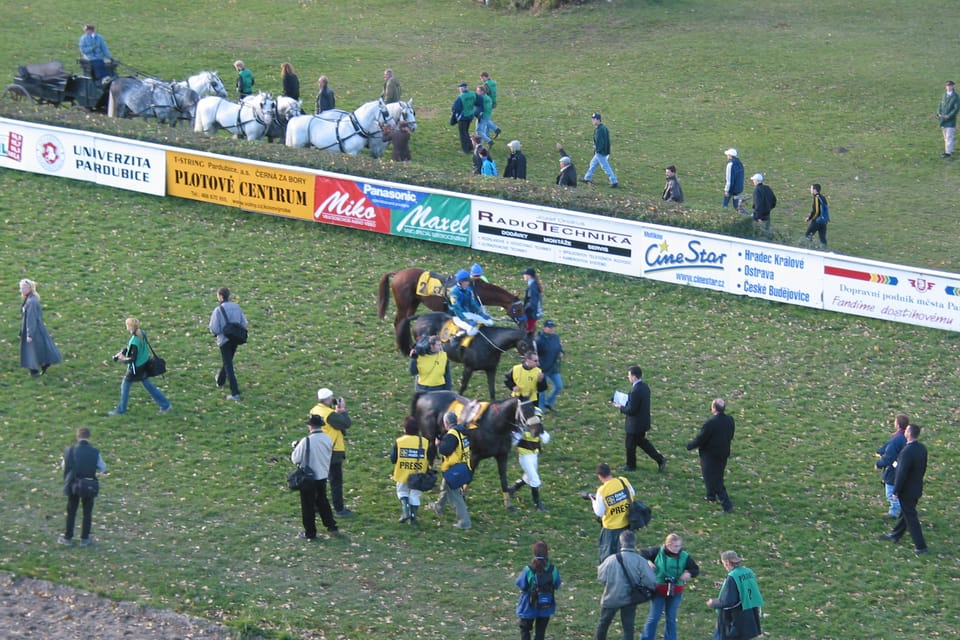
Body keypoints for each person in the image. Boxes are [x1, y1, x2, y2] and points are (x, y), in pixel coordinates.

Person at [595, 530, 658, 640]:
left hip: (611, 597)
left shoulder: (611, 560)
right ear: (634, 543)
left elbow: (601, 578)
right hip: (630, 598)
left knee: (603, 624)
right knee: (628, 627)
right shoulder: (640, 561)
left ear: (621, 543)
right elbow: (651, 580)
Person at [639, 533, 701, 640]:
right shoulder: (657, 552)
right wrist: (648, 562)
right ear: (668, 545)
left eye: (679, 546)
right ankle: (646, 638)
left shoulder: (684, 556)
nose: (678, 548)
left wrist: (689, 573)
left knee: (671, 618)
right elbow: (642, 554)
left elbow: (695, 569)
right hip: (658, 590)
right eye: (675, 546)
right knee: (654, 617)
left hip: (675, 590)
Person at [108, 317, 171, 416]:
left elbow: (132, 358)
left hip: (135, 369)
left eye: (127, 326)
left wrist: (122, 358)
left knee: (125, 386)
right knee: (149, 386)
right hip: (143, 364)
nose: (126, 328)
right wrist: (121, 353)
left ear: (130, 327)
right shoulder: (141, 333)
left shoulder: (134, 341)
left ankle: (121, 410)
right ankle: (165, 405)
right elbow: (131, 349)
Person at [882, 423, 928, 554]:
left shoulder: (907, 451)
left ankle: (921, 546)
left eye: (906, 430)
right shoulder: (922, 448)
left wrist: (896, 490)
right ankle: (896, 534)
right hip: (917, 487)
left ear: (909, 433)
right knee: (905, 513)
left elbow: (901, 473)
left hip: (907, 490)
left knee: (911, 517)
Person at [291, 415, 338, 539]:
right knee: (323, 501)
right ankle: (331, 525)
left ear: (310, 426)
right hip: (323, 475)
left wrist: (296, 447)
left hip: (309, 478)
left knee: (308, 506)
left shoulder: (306, 440)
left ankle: (310, 532)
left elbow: (296, 459)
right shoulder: (328, 439)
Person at [58, 427, 107, 547]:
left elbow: (64, 466)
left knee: (71, 512)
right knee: (87, 512)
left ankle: (68, 538)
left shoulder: (71, 450)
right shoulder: (95, 452)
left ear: (77, 436)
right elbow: (102, 467)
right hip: (88, 484)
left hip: (74, 484)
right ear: (89, 437)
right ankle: (85, 539)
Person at [686, 398, 736, 513]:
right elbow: (731, 435)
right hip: (723, 453)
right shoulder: (730, 420)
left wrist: (690, 445)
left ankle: (727, 505)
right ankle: (711, 496)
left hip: (710, 455)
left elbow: (702, 438)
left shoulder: (711, 423)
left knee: (713, 479)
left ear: (714, 408)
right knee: (716, 475)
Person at [613, 366, 666, 473]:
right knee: (642, 443)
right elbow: (635, 402)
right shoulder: (644, 387)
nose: (628, 377)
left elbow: (632, 410)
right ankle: (659, 459)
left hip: (635, 425)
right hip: (643, 422)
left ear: (633, 376)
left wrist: (620, 407)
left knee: (630, 445)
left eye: (629, 375)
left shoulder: (635, 390)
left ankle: (631, 465)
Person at [310, 388, 353, 517]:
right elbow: (346, 423)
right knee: (335, 481)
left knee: (319, 479)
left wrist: (335, 412)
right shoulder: (330, 414)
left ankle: (316, 505)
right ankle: (339, 508)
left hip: (318, 448)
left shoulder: (314, 410)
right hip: (333, 450)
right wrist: (342, 411)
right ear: (328, 399)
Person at [707, 550, 763, 640]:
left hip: (734, 619)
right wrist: (724, 585)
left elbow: (728, 601)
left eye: (723, 563)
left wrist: (713, 603)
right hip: (749, 615)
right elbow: (744, 588)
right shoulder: (748, 572)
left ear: (727, 562)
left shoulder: (732, 576)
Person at [430, 411, 472, 529]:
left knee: (456, 496)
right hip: (463, 466)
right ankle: (439, 506)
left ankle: (464, 522)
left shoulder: (452, 434)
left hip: (454, 469)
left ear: (446, 423)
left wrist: (439, 444)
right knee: (446, 487)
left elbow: (445, 450)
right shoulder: (462, 432)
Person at [390, 416, 435, 525]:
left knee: (401, 491)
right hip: (419, 474)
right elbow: (430, 457)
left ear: (405, 429)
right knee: (415, 494)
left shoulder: (399, 441)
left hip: (402, 472)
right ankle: (413, 517)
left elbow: (393, 459)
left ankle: (405, 511)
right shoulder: (425, 442)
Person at [515, 540, 561, 640]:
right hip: (546, 605)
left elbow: (521, 584)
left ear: (534, 553)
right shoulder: (553, 570)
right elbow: (557, 585)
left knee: (525, 629)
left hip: (529, 605)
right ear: (547, 553)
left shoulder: (528, 569)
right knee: (540, 633)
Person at [589, 462, 635, 564]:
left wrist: (593, 502)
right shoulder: (623, 481)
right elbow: (632, 494)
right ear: (610, 472)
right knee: (626, 554)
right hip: (627, 524)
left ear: (600, 476)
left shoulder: (602, 490)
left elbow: (599, 512)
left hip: (611, 530)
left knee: (608, 557)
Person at [209, 287, 248, 401]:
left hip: (224, 340)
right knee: (227, 361)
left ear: (221, 296)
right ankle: (220, 380)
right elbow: (243, 322)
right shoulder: (236, 307)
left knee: (228, 366)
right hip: (235, 338)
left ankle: (235, 393)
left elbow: (214, 328)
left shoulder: (218, 310)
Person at [19, 278, 62, 377]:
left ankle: (35, 371)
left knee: (30, 350)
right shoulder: (30, 299)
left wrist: (29, 334)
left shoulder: (31, 302)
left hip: (33, 330)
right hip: (34, 328)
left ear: (27, 288)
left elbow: (31, 318)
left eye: (22, 288)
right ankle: (43, 363)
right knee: (38, 348)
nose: (20, 290)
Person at [507, 416, 551, 512]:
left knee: (528, 477)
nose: (535, 427)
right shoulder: (522, 431)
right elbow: (513, 442)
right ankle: (538, 505)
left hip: (534, 456)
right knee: (535, 480)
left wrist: (542, 432)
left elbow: (546, 440)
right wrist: (520, 434)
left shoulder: (539, 430)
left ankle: (512, 489)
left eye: (536, 425)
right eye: (533, 426)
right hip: (525, 457)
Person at [875, 413, 909, 519]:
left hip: (894, 470)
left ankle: (898, 511)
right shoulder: (905, 437)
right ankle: (900, 511)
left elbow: (889, 456)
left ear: (898, 424)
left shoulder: (897, 439)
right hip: (904, 469)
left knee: (890, 491)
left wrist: (879, 464)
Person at [408, 334, 451, 414]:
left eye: (441, 344)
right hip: (423, 389)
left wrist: (447, 391)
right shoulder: (419, 357)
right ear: (432, 346)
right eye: (438, 345)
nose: (440, 347)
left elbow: (447, 375)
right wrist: (413, 359)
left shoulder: (443, 356)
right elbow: (412, 372)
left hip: (438, 388)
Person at [448, 269, 493, 337]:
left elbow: (472, 303)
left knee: (490, 322)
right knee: (472, 331)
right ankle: (457, 337)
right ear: (461, 282)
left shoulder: (468, 289)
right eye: (467, 281)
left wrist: (480, 313)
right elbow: (456, 308)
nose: (468, 283)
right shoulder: (453, 292)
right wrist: (466, 320)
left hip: (468, 313)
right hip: (458, 316)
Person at [581, 112, 618, 188]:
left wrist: (597, 149)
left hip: (600, 152)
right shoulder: (604, 128)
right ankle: (587, 178)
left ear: (598, 120)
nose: (592, 121)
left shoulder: (600, 130)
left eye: (594, 119)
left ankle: (614, 181)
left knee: (605, 167)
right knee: (593, 164)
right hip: (603, 151)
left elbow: (600, 142)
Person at [534, 320, 564, 412]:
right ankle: (541, 408)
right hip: (543, 368)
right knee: (542, 390)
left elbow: (559, 348)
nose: (551, 329)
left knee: (559, 386)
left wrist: (561, 353)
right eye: (549, 327)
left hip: (553, 367)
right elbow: (534, 353)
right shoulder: (538, 340)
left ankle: (549, 403)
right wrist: (537, 365)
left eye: (552, 327)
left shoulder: (556, 337)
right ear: (544, 328)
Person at [452, 83, 477, 154]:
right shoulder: (472, 94)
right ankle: (470, 147)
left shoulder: (461, 97)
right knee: (466, 131)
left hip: (463, 117)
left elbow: (455, 108)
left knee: (463, 133)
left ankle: (465, 149)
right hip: (470, 115)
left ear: (462, 89)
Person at [749, 173, 777, 239]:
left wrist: (758, 217)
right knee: (766, 233)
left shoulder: (757, 190)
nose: (753, 181)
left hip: (759, 217)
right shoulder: (767, 188)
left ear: (757, 181)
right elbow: (774, 201)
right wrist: (769, 208)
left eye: (754, 180)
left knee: (758, 235)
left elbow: (758, 204)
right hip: (767, 215)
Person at [804, 183, 829, 250]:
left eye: (811, 188)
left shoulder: (816, 198)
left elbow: (816, 211)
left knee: (807, 235)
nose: (810, 190)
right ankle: (824, 251)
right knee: (822, 239)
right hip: (824, 222)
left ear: (815, 190)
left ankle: (811, 249)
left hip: (817, 221)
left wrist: (810, 218)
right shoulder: (823, 197)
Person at [937, 80, 959, 158]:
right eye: (947, 86)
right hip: (943, 119)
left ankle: (948, 152)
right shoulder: (944, 95)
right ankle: (950, 149)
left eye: (950, 86)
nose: (948, 87)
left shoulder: (955, 96)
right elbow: (940, 104)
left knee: (949, 135)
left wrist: (949, 116)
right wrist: (938, 113)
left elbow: (956, 109)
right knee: (945, 135)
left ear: (953, 86)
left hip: (950, 120)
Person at [522, 267, 543, 335]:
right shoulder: (533, 285)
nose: (523, 276)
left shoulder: (532, 287)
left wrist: (523, 310)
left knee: (527, 334)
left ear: (529, 276)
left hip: (531, 315)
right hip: (532, 314)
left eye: (524, 274)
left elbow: (532, 303)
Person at [480, 71, 502, 139]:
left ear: (484, 77)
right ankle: (487, 134)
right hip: (493, 101)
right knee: (488, 117)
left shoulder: (486, 84)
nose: (481, 80)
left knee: (486, 118)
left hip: (487, 103)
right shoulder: (493, 82)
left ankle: (495, 129)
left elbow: (485, 94)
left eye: (481, 78)